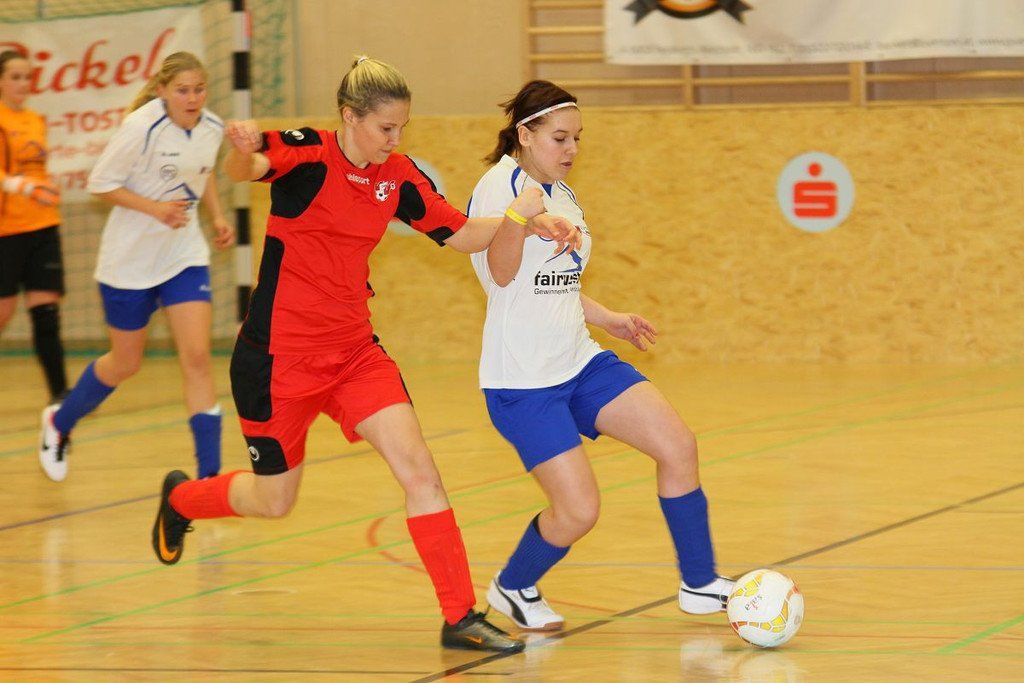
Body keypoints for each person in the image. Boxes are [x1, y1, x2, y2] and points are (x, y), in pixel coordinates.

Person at [150, 57, 580, 653]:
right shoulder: (308, 152)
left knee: (420, 472)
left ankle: (460, 616)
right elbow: (245, 168)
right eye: (385, 128)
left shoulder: (398, 176)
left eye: (402, 128)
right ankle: (181, 499)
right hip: (278, 361)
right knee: (274, 500)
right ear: (350, 117)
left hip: (355, 354)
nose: (395, 140)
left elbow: (460, 234)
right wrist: (241, 149)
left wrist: (521, 221)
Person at [467, 80, 735, 632]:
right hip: (524, 382)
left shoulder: (563, 194)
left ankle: (699, 583)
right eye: (560, 138)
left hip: (580, 362)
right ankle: (514, 584)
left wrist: (608, 318)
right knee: (578, 512)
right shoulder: (499, 188)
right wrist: (520, 216)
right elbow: (502, 275)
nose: (571, 149)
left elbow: (554, 283)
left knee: (678, 446)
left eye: (577, 138)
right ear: (525, 135)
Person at [38, 52, 234, 482]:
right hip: (129, 262)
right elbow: (100, 183)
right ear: (162, 90)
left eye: (199, 89)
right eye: (182, 90)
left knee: (197, 357)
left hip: (183, 256)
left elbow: (203, 172)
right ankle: (60, 421)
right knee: (126, 363)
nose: (192, 98)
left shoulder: (212, 127)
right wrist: (155, 208)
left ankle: (209, 478)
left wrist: (218, 217)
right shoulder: (140, 127)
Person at [0, 50, 68, 407]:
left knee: (46, 314)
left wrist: (44, 188)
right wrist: (22, 187)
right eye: (15, 77)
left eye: (27, 76)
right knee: (4, 313)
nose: (23, 83)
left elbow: (35, 169)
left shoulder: (36, 120)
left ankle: (61, 397)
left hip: (43, 227)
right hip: (6, 232)